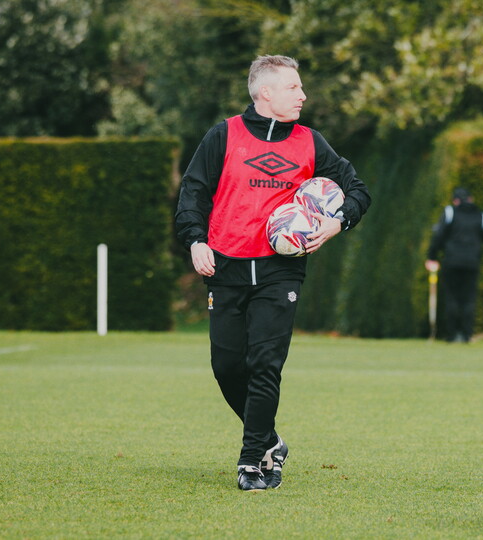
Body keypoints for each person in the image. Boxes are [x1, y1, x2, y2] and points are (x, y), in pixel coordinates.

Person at [174, 55, 371, 491]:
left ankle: (252, 461)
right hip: (224, 266)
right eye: (293, 88)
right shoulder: (222, 135)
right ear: (266, 93)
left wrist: (338, 222)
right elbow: (193, 192)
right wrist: (195, 240)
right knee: (227, 366)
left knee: (265, 363)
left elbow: (357, 189)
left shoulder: (311, 142)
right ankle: (270, 441)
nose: (303, 95)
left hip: (280, 272)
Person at [424, 187, 483, 343]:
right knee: (468, 299)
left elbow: (439, 236)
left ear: (455, 200)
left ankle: (452, 335)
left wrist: (432, 257)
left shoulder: (450, 212)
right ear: (470, 199)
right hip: (472, 262)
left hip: (451, 261)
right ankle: (466, 335)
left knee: (452, 298)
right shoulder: (482, 215)